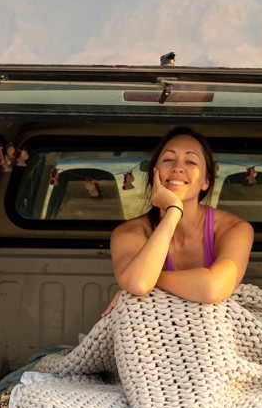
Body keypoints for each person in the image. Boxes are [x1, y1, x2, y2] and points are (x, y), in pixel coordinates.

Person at [109, 126, 254, 306]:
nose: (177, 168)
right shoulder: (129, 232)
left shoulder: (235, 229)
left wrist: (151, 278)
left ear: (206, 181)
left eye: (191, 162)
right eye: (168, 159)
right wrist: (173, 211)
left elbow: (212, 289)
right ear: (154, 173)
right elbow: (138, 283)